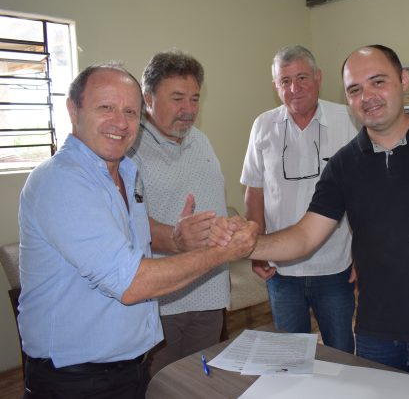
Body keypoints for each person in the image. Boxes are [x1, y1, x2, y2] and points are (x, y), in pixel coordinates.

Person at [242, 45, 409, 390]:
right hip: (378, 337)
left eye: (378, 82)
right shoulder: (343, 165)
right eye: (355, 89)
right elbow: (305, 237)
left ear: (403, 80)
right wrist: (243, 245)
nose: (367, 97)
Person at [17, 63, 257, 399]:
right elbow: (131, 283)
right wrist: (221, 252)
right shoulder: (62, 180)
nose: (120, 122)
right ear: (73, 110)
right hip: (76, 380)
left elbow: (134, 241)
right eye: (106, 107)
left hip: (128, 366)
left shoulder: (125, 173)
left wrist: (177, 239)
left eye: (130, 111)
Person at [240, 45, 358, 353]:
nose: (294, 88)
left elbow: (364, 194)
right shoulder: (263, 126)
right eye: (285, 81)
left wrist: (363, 253)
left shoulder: (347, 121)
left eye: (302, 77)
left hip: (335, 267)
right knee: (290, 358)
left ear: (318, 78)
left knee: (341, 354)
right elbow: (254, 190)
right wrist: (256, 249)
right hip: (282, 271)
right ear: (275, 86)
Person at [127, 50, 232, 377]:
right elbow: (124, 220)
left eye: (195, 98)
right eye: (177, 98)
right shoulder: (130, 147)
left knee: (201, 383)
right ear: (148, 99)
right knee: (161, 386)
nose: (189, 109)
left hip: (211, 290)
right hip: (162, 302)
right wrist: (174, 237)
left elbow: (212, 202)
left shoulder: (200, 140)